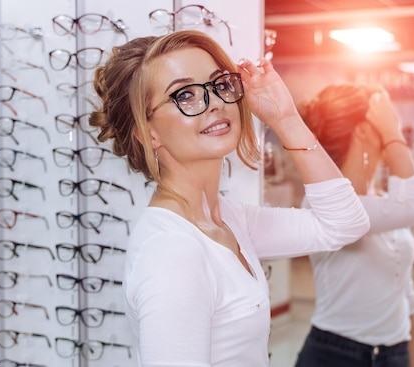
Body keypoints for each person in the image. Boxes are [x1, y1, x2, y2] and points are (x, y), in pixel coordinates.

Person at [89, 30, 370, 367]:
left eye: (219, 85)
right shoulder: (173, 252)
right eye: (184, 95)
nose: (216, 103)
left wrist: (285, 117)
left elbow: (343, 224)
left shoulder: (229, 220)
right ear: (146, 131)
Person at [294, 84, 414, 367]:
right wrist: (392, 133)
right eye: (386, 118)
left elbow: (405, 293)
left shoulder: (385, 204)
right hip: (335, 355)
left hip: (394, 354)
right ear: (365, 130)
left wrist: (412, 360)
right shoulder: (325, 206)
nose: (394, 124)